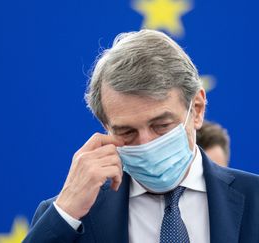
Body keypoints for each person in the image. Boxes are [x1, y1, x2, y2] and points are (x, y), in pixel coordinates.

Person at [23, 30, 259, 243]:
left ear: (196, 109)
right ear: (106, 127)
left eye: (161, 125)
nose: (146, 143)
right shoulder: (72, 215)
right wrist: (66, 211)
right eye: (127, 132)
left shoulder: (255, 198)